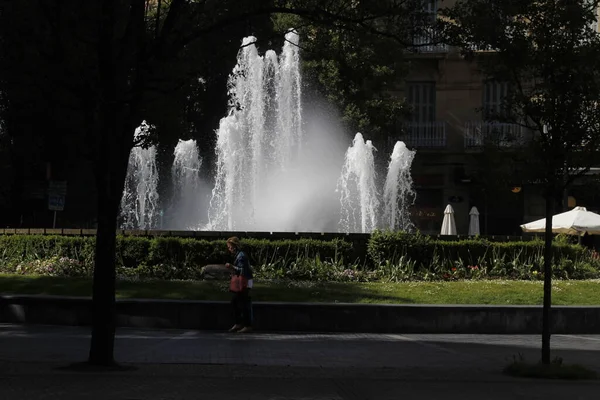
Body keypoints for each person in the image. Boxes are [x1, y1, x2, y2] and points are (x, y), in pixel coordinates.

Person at [225, 236, 254, 333]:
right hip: (246, 281)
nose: (229, 249)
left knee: (242, 303)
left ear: (235, 246)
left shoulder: (241, 256)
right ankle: (240, 324)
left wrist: (232, 267)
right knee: (238, 302)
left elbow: (242, 270)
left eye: (230, 247)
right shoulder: (239, 255)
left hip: (245, 282)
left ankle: (246, 325)